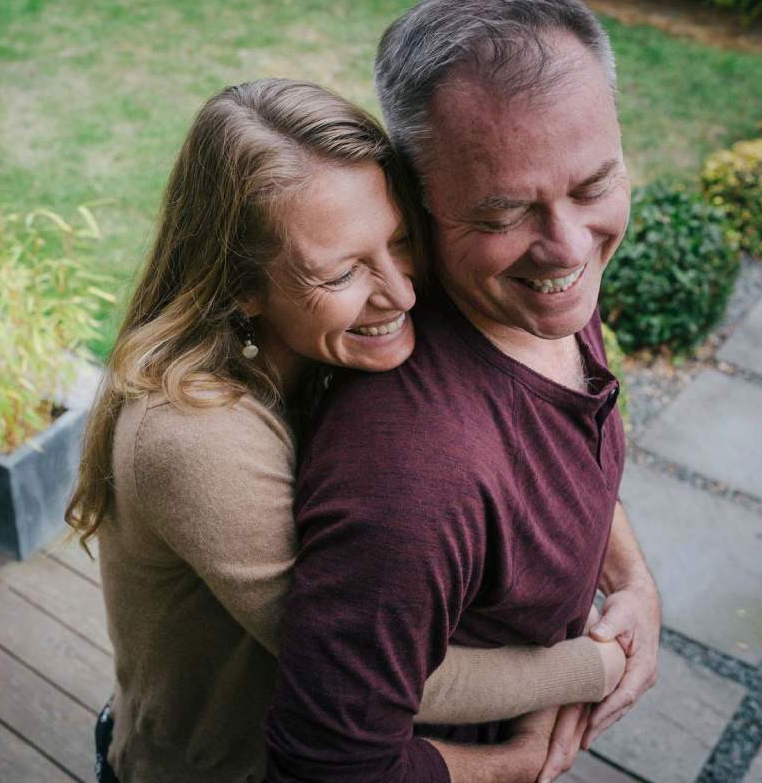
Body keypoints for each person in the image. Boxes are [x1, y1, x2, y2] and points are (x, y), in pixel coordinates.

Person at [66, 77, 625, 783]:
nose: (402, 292)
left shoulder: (325, 342)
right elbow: (367, 676)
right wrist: (597, 663)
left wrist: (629, 576)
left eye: (399, 241)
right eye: (343, 272)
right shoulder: (193, 436)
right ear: (239, 284)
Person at [262, 0, 662, 782]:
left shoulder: (535, 297)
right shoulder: (413, 477)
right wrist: (516, 767)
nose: (568, 249)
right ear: (418, 201)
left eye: (592, 187)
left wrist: (633, 582)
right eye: (504, 214)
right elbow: (328, 767)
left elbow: (570, 459)